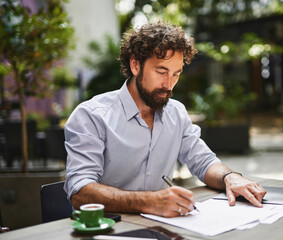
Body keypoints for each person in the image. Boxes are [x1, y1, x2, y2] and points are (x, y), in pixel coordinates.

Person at [64, 22, 266, 218]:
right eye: (161, 71)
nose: (168, 84)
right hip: (109, 229)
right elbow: (80, 193)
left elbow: (203, 162)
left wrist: (229, 177)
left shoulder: (176, 113)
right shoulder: (91, 116)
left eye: (176, 74)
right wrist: (149, 201)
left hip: (161, 226)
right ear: (135, 65)